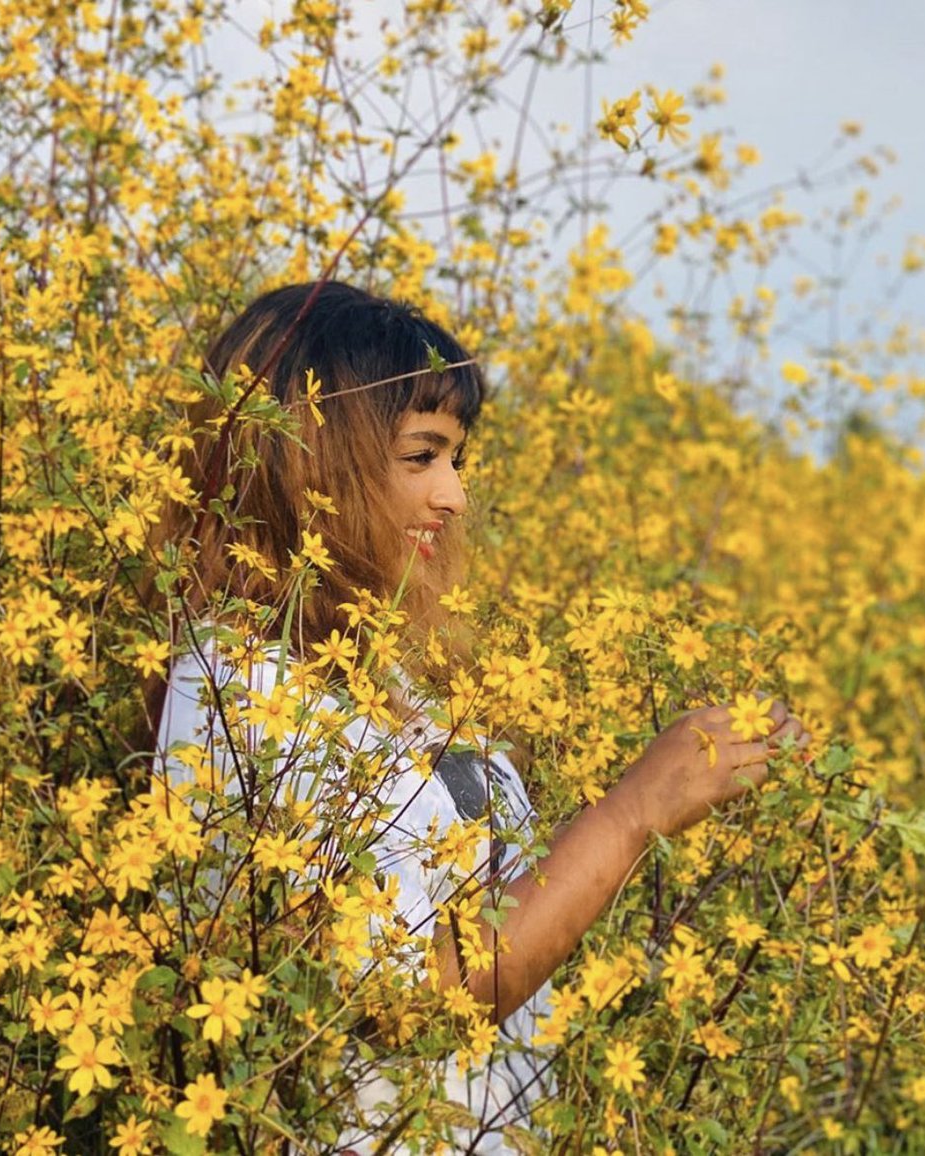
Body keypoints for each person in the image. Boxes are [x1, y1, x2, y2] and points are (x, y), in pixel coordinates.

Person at [153, 280, 806, 1150]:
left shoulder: (367, 675)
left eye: (456, 459)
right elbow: (405, 1001)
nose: (454, 496)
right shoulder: (241, 688)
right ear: (311, 459)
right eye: (421, 456)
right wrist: (633, 813)